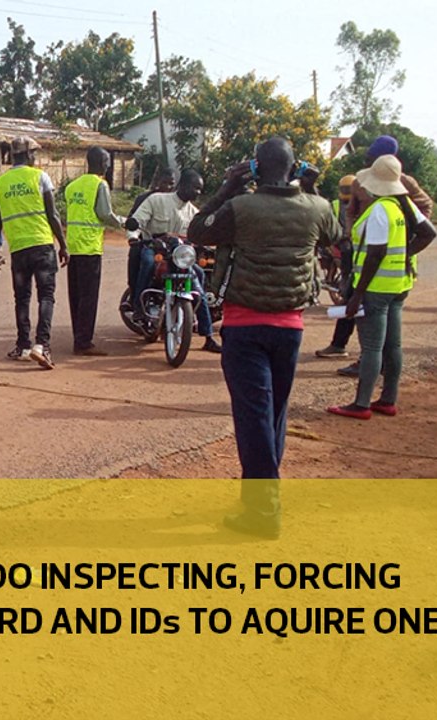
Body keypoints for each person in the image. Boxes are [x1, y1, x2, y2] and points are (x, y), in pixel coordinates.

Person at [188, 137, 340, 537]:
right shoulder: (317, 208)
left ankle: (263, 511)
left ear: (254, 168)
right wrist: (312, 188)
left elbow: (198, 231)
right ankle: (258, 501)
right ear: (294, 168)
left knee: (254, 418)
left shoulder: (240, 208)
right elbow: (335, 235)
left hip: (244, 327)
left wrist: (225, 189)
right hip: (289, 328)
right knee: (273, 417)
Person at [327, 155, 437, 420]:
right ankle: (388, 399)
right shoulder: (404, 204)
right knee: (393, 345)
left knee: (372, 347)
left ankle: (361, 404)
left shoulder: (379, 210)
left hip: (375, 287)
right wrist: (404, 257)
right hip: (398, 284)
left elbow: (375, 254)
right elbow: (429, 233)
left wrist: (358, 295)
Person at [0, 136, 69, 370]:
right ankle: (42, 346)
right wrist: (63, 244)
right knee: (46, 296)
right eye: (34, 153)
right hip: (42, 246)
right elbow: (53, 215)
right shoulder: (39, 177)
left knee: (21, 298)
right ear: (29, 155)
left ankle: (23, 345)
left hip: (18, 250)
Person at [127, 169, 221, 353]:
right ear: (183, 185)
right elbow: (137, 221)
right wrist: (133, 236)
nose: (198, 193)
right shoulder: (157, 200)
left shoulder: (194, 213)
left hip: (180, 257)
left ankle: (207, 336)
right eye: (195, 188)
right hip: (155, 249)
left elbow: (201, 236)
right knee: (146, 262)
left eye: (200, 189)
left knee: (200, 277)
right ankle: (138, 307)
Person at [64, 147, 126, 356]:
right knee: (89, 297)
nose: (108, 165)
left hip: (73, 247)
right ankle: (84, 342)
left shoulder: (72, 186)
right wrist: (124, 222)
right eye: (107, 161)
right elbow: (105, 214)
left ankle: (78, 337)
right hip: (90, 247)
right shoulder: (100, 185)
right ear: (99, 162)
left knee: (76, 295)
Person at [315, 174, 358, 359]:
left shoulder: (370, 206)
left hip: (362, 262)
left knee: (358, 308)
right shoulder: (335, 205)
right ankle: (339, 345)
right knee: (349, 305)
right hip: (345, 253)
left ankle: (373, 358)